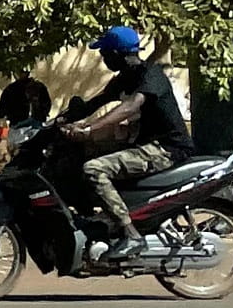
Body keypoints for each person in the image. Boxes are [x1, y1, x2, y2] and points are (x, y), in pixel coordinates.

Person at [64, 26, 195, 260]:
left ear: (118, 53)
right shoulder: (124, 78)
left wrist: (89, 128)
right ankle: (98, 220)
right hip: (144, 146)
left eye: (105, 54)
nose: (103, 59)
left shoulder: (151, 76)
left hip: (166, 149)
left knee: (94, 169)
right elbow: (94, 103)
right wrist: (60, 121)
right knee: (79, 160)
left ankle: (130, 233)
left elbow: (130, 106)